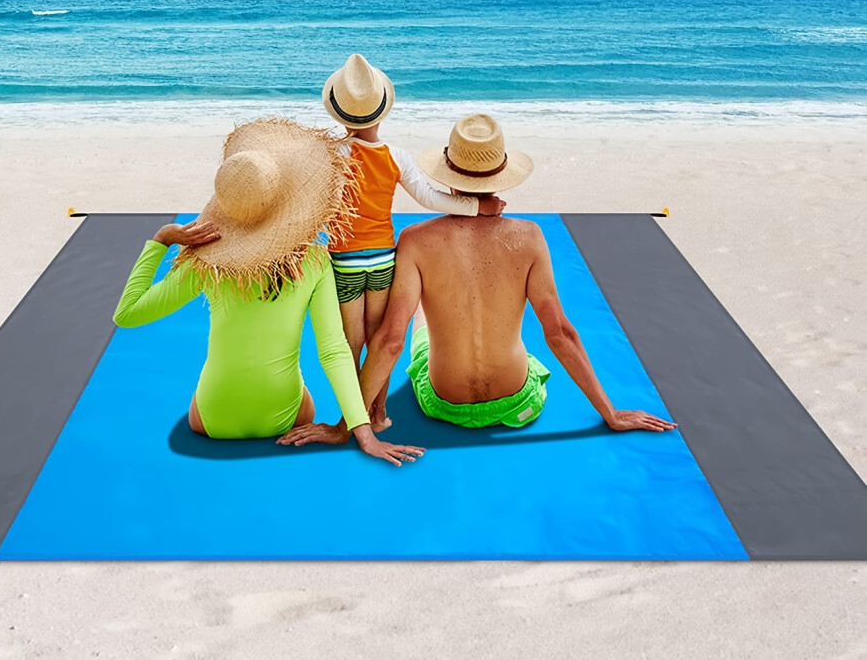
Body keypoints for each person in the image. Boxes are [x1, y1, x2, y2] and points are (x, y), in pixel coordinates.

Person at [278, 113, 677, 448]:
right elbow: (559, 334)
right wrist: (611, 413)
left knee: (418, 320)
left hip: (443, 404)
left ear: (449, 175)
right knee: (522, 348)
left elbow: (389, 342)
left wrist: (346, 425)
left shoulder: (415, 241)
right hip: (517, 405)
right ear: (501, 176)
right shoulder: (530, 237)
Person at [112, 117, 425, 466]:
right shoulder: (313, 262)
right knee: (303, 392)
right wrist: (361, 434)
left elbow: (127, 314)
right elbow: (334, 351)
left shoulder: (206, 264)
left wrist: (160, 241)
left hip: (214, 421)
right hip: (284, 416)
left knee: (204, 390)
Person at [322, 54, 503, 431]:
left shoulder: (334, 155)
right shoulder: (395, 156)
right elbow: (429, 197)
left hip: (345, 263)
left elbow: (318, 207)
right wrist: (477, 206)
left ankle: (349, 420)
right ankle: (378, 413)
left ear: (340, 113)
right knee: (379, 345)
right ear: (381, 111)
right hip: (383, 260)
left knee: (350, 347)